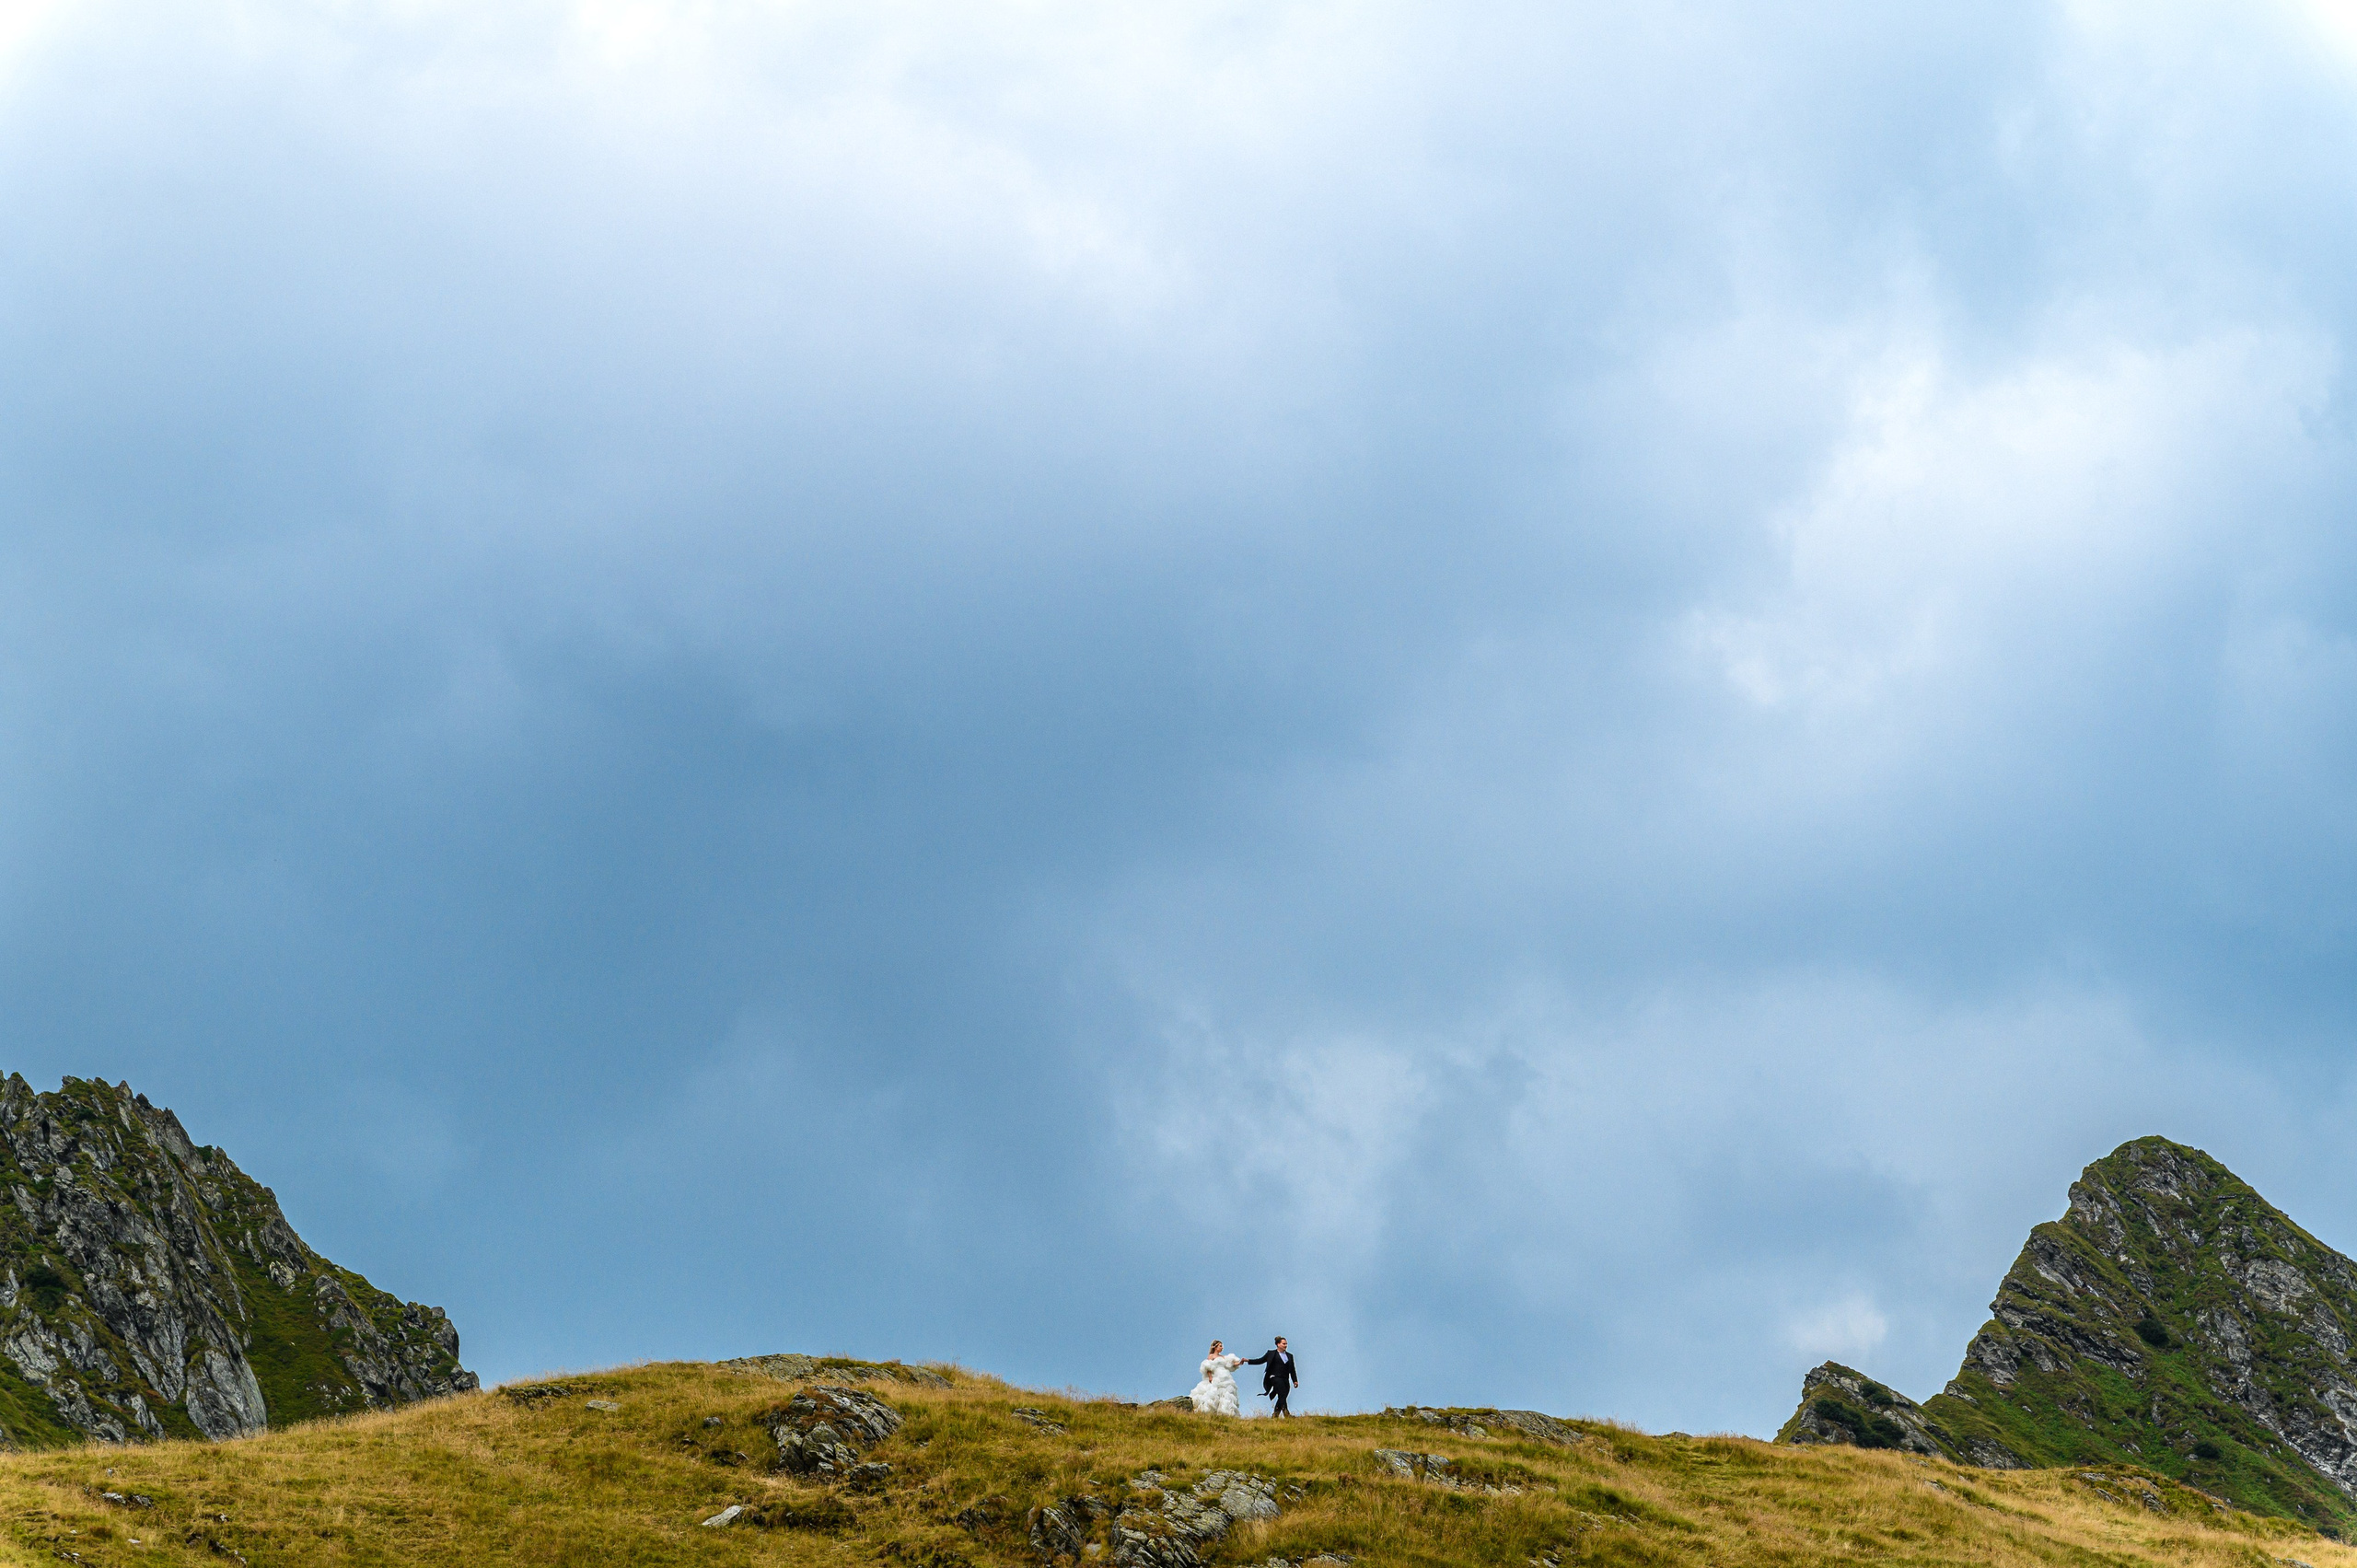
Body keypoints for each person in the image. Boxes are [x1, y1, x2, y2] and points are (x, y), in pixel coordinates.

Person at [1245, 1337, 1299, 1417]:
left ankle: (1275, 1415)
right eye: (1284, 1344)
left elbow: (1292, 1369)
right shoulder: (1271, 1353)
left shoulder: (1290, 1356)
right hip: (1275, 1377)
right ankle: (1287, 1414)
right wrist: (1248, 1361)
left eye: (1286, 1344)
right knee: (1282, 1394)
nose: (1286, 1345)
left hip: (1285, 1378)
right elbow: (1261, 1360)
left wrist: (1295, 1380)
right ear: (1278, 1344)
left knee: (1283, 1396)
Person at [1189, 1340, 1245, 1415]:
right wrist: (1210, 1376)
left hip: (1226, 1376)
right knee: (1214, 1392)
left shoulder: (1224, 1357)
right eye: (1220, 1346)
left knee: (1227, 1393)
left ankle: (1225, 1411)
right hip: (1216, 1376)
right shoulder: (1211, 1356)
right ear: (1215, 1347)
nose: (1222, 1348)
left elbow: (1232, 1364)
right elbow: (1208, 1366)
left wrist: (1240, 1362)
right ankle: (1212, 1411)